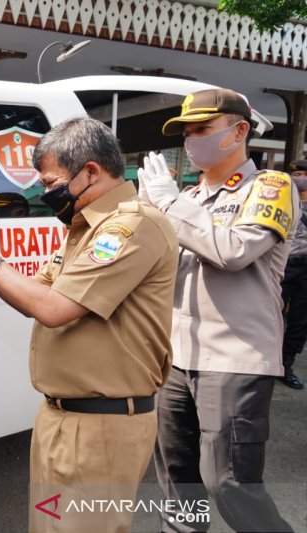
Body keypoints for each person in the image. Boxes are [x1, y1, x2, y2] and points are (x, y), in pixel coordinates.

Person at [0, 117, 179, 533]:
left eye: (51, 183)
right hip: (60, 418)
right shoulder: (83, 229)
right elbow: (34, 295)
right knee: (47, 525)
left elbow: (54, 309)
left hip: (101, 426)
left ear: (90, 171)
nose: (46, 193)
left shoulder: (130, 226)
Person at [138, 88, 295, 532]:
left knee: (229, 483)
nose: (192, 140)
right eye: (187, 132)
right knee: (178, 481)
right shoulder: (187, 195)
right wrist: (145, 209)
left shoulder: (270, 187)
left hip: (234, 357)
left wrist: (169, 205)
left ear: (239, 131)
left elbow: (233, 251)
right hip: (176, 355)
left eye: (203, 129)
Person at [280, 159, 307, 389]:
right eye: (296, 173)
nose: (299, 177)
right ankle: (269, 361)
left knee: (300, 320)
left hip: (306, 268)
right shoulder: (284, 200)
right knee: (271, 312)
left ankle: (286, 364)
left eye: (303, 174)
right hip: (285, 265)